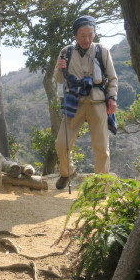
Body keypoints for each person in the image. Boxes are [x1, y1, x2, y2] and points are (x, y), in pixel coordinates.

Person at [54, 15, 118, 190]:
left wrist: (112, 98)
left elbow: (112, 78)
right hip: (74, 101)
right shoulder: (66, 52)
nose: (87, 39)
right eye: (83, 35)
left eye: (90, 35)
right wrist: (60, 69)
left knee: (101, 146)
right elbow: (59, 79)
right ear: (75, 35)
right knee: (62, 143)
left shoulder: (102, 50)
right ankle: (67, 172)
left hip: (97, 102)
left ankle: (102, 186)